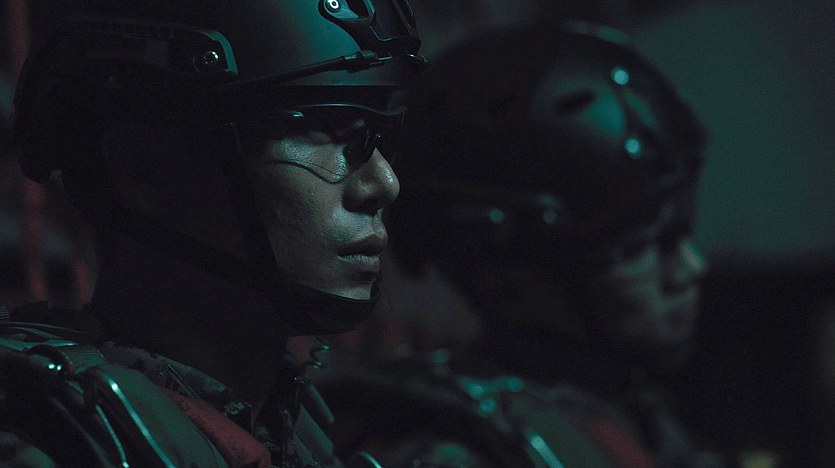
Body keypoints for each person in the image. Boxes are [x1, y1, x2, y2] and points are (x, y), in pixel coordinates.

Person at [0, 1, 425, 466]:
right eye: (317, 128)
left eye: (376, 134)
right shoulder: (52, 444)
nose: (383, 184)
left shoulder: (288, 429)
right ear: (144, 169)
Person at [319, 22, 729, 467]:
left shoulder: (617, 406)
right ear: (507, 275)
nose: (691, 267)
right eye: (636, 248)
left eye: (682, 230)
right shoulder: (455, 448)